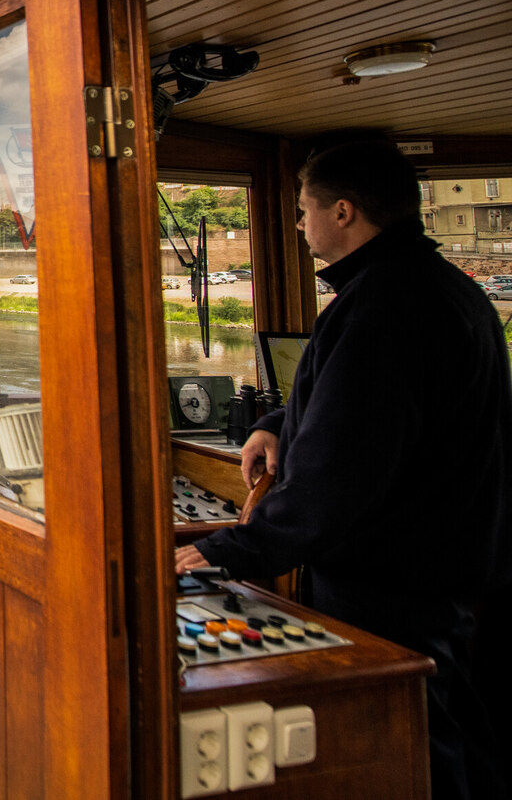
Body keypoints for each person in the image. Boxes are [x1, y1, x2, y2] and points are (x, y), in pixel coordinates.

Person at [175, 140, 510, 800]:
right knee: (458, 730)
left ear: (345, 212)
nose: (298, 225)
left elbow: (343, 469)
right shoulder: (436, 290)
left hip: (394, 584)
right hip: (450, 569)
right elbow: (357, 410)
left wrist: (229, 551)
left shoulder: (385, 308)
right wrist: (277, 426)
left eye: (304, 211)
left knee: (419, 751)